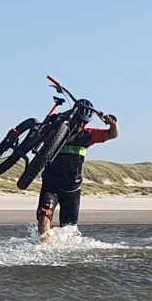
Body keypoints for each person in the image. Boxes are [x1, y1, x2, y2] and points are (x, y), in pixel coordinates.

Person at [37, 99, 119, 241]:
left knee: (69, 229)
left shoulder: (88, 135)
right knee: (44, 216)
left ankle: (69, 257)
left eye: (85, 122)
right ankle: (44, 250)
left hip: (72, 186)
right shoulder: (57, 130)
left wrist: (112, 123)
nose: (81, 125)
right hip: (51, 182)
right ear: (73, 115)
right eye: (79, 120)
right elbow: (42, 130)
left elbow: (112, 134)